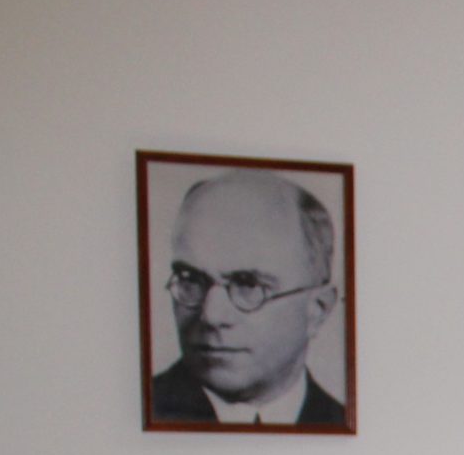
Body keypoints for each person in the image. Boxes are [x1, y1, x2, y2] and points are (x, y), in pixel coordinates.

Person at [149, 168, 347, 426]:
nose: (211, 315)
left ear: (318, 310)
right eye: (191, 279)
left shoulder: (345, 425)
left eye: (248, 285)